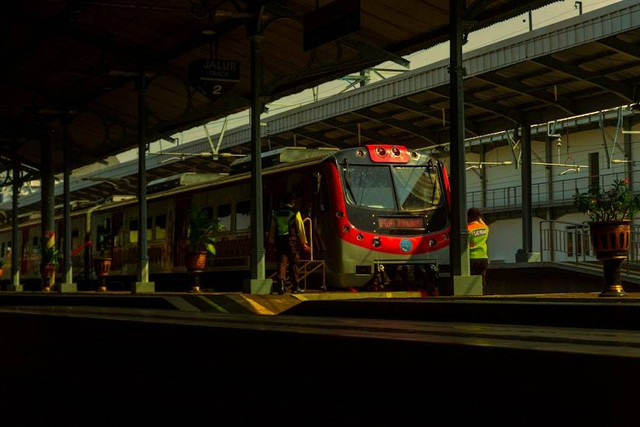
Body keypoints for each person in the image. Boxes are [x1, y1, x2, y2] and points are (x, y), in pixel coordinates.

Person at [269, 192, 311, 294]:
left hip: (280, 240)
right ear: (293, 202)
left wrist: (271, 239)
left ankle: (281, 287)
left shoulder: (277, 212)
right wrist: (304, 242)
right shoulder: (295, 212)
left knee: (281, 262)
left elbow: (273, 227)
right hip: (291, 240)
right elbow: (300, 228)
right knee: (293, 262)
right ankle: (295, 287)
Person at [467, 207, 489, 294]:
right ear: (479, 217)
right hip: (483, 257)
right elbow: (484, 224)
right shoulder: (485, 228)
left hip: (471, 258)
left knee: (470, 281)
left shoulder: (467, 229)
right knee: (481, 280)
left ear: (468, 217)